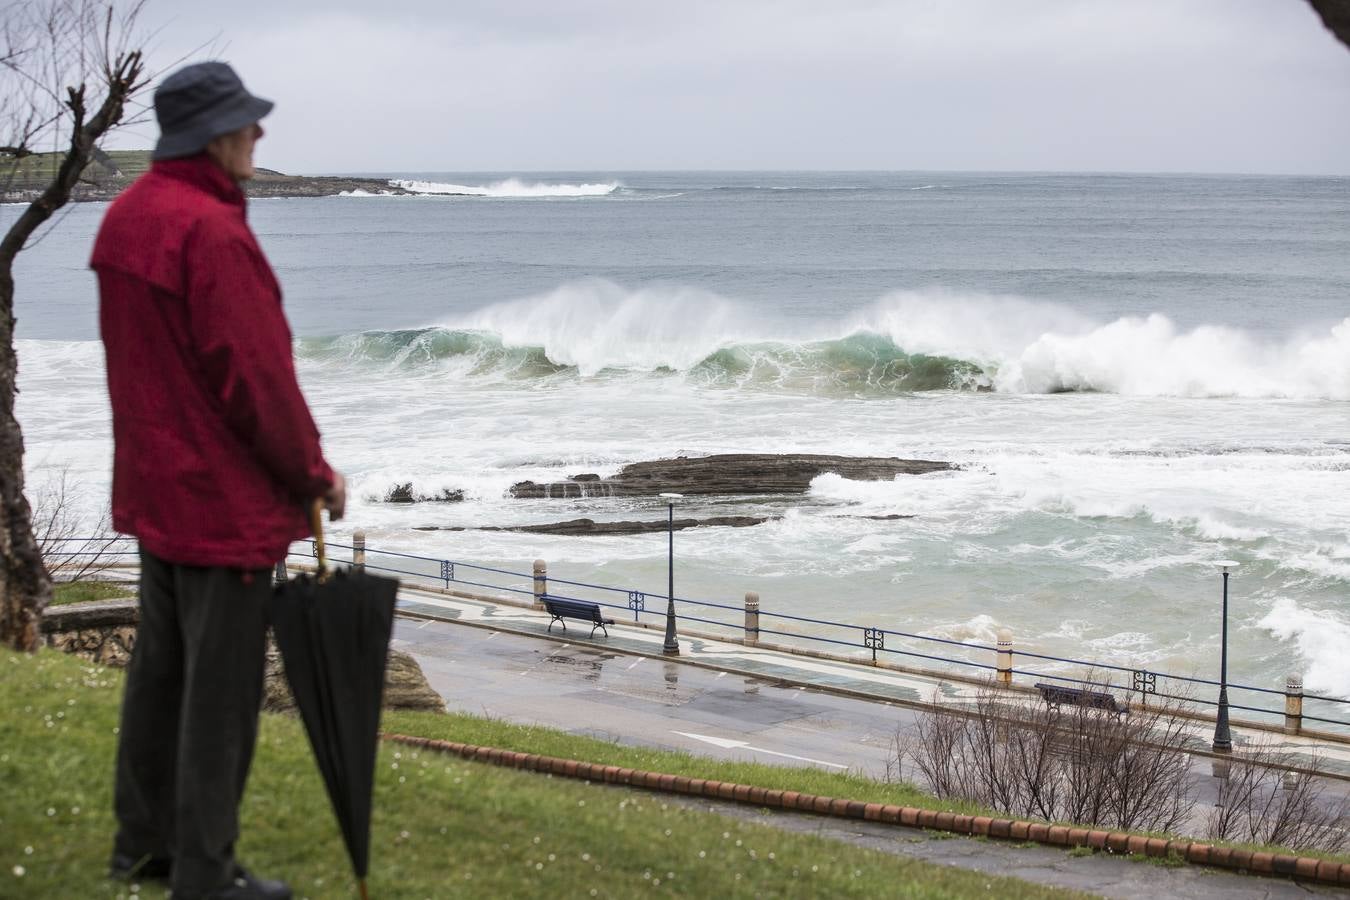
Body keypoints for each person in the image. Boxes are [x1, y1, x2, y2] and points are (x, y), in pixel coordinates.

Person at [91, 61, 345, 900]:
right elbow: (258, 383)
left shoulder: (128, 219)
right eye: (246, 122)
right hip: (221, 507)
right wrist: (316, 476)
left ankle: (143, 846)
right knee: (222, 697)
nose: (258, 135)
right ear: (212, 135)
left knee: (160, 676)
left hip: (157, 487)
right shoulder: (211, 233)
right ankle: (205, 873)